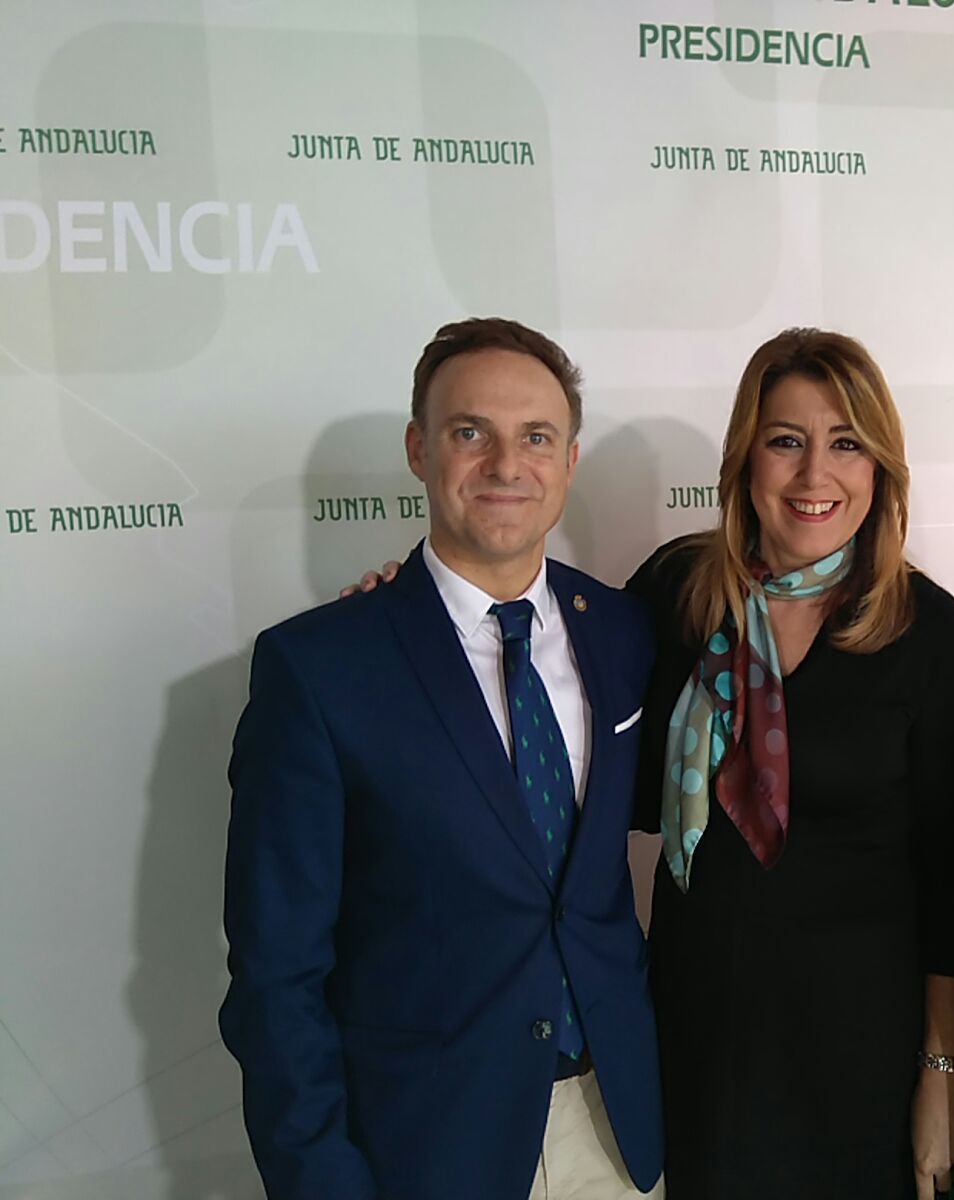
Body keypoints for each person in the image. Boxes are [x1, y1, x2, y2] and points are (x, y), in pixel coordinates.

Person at [220, 318, 664, 1200]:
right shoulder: (322, 668)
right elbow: (277, 975)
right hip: (426, 1147)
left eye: (536, 437)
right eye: (472, 433)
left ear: (570, 461)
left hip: (615, 1131)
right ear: (421, 450)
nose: (507, 464)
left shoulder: (623, 630)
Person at [627, 328, 954, 1199]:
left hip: (859, 1055)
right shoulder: (672, 594)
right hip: (697, 1039)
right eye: (787, 441)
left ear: (880, 470)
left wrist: (943, 1069)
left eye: (846, 443)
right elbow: (552, 690)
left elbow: (949, 874)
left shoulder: (927, 631)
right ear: (746, 459)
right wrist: (411, 604)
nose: (815, 474)